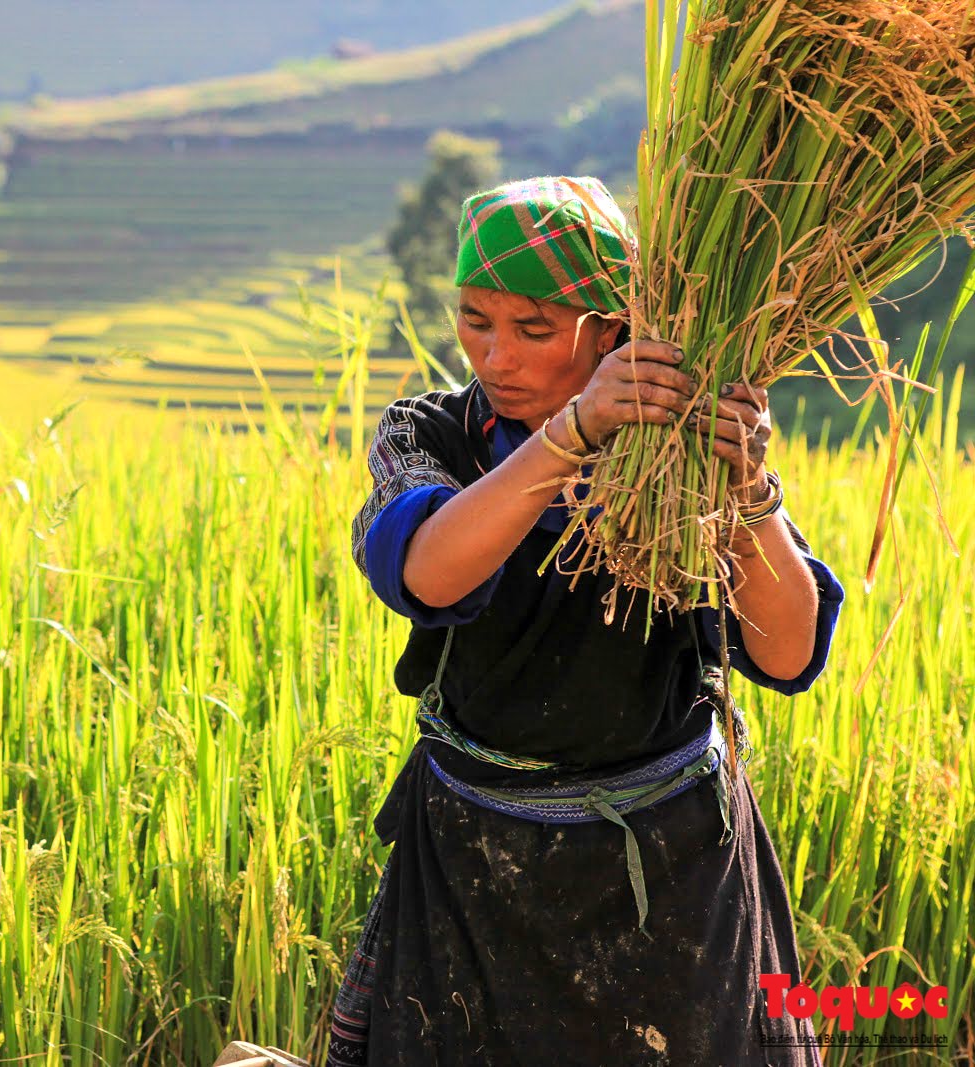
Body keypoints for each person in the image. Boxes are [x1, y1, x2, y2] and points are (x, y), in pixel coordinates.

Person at [325, 176, 844, 1065]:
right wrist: (570, 433)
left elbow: (789, 651)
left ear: (611, 331)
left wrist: (749, 492)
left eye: (533, 329)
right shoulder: (428, 435)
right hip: (474, 867)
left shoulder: (675, 458)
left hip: (676, 873)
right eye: (475, 320)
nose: (496, 357)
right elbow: (426, 569)